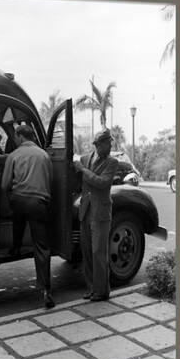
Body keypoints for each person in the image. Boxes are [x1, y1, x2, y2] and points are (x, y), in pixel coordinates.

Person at [1, 125, 55, 308]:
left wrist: (11, 195)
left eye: (15, 137)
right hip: (39, 203)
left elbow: (4, 185)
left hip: (19, 200)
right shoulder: (44, 156)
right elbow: (50, 182)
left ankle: (15, 246)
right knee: (42, 247)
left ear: (19, 136)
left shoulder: (14, 156)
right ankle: (46, 290)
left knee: (18, 217)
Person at [73, 128, 119, 301]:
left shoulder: (112, 162)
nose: (110, 146)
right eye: (107, 143)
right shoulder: (85, 159)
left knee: (99, 252)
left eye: (110, 143)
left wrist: (83, 170)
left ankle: (102, 291)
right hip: (85, 211)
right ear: (98, 145)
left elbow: (102, 183)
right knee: (86, 251)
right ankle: (91, 288)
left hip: (100, 212)